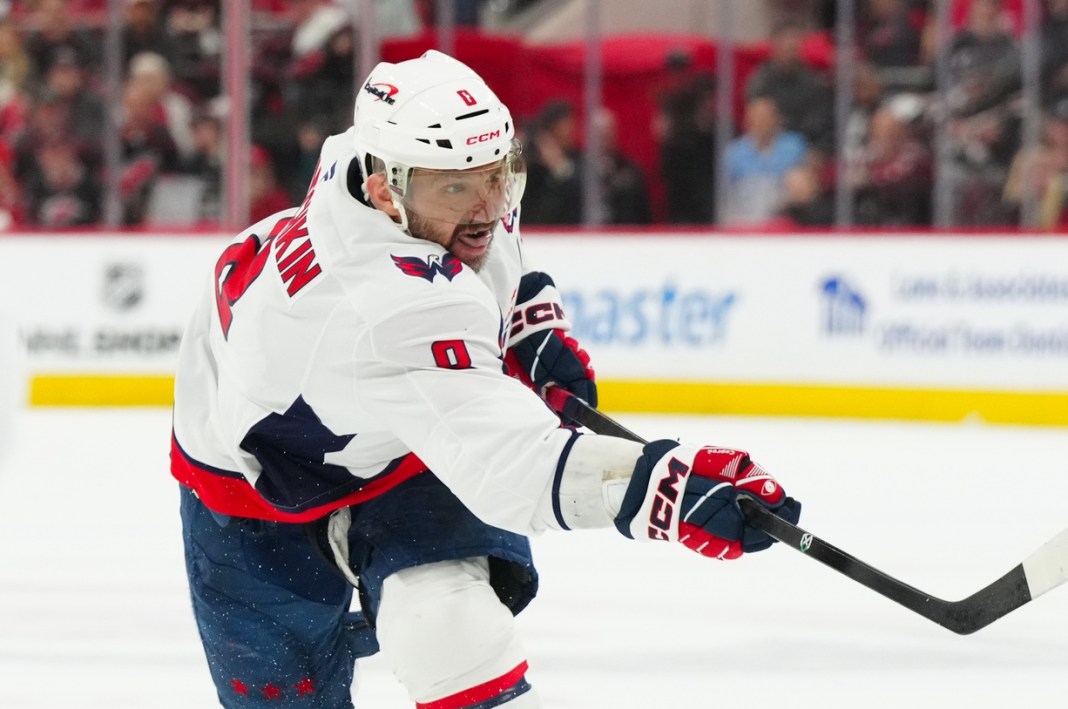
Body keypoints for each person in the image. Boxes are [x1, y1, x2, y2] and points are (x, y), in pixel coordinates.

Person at [171, 50, 801, 709]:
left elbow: (484, 234)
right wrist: (664, 488)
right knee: (288, 692)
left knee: (447, 626)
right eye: (457, 188)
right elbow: (513, 467)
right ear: (387, 191)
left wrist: (525, 318)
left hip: (388, 432)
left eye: (498, 175)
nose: (489, 205)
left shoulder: (381, 162)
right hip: (249, 478)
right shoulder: (390, 303)